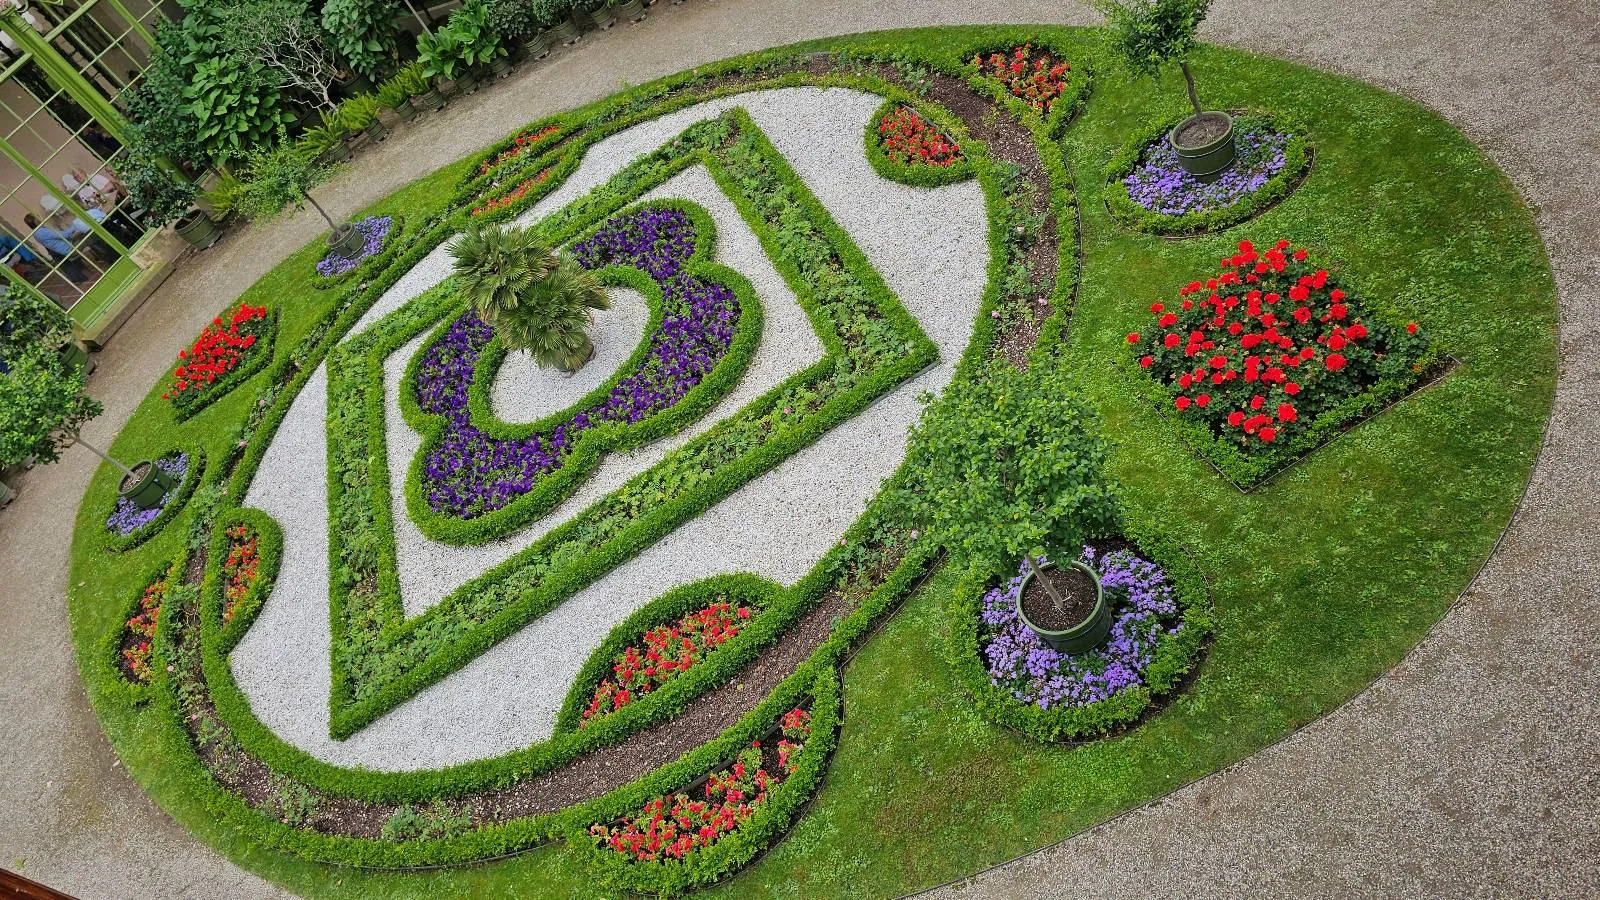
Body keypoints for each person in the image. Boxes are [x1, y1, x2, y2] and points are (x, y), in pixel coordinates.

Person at [23, 213, 90, 283]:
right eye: (37, 216)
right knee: (87, 234)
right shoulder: (42, 231)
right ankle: (100, 255)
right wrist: (75, 224)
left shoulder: (36, 233)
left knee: (82, 234)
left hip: (66, 250)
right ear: (35, 221)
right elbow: (65, 235)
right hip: (70, 250)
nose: (39, 217)